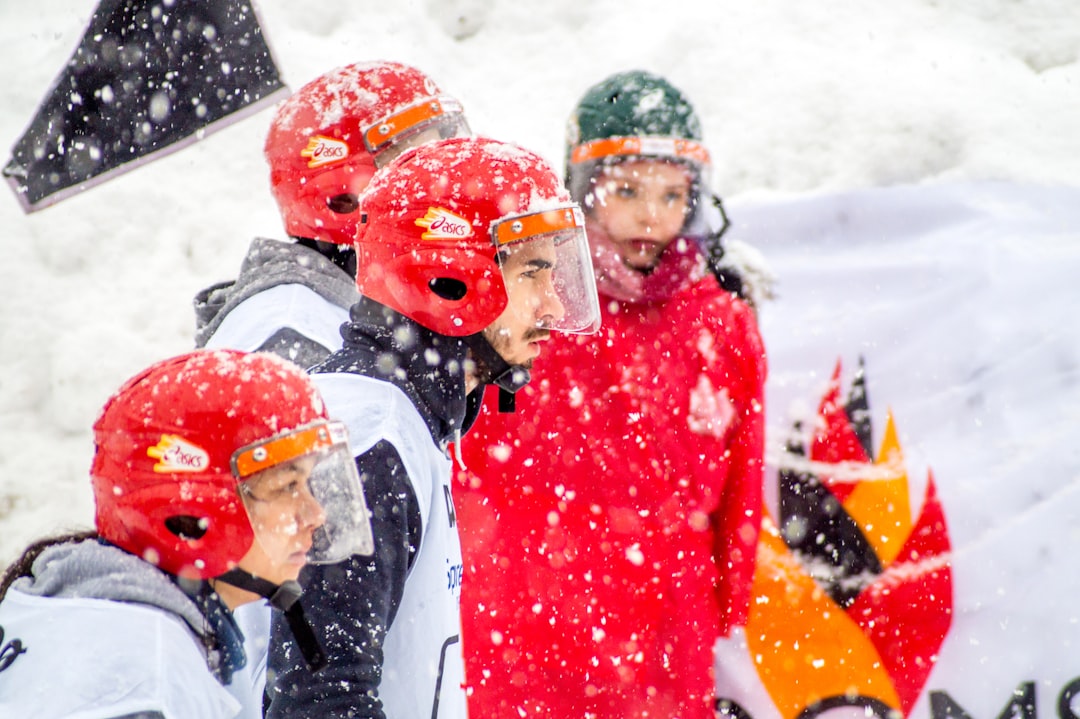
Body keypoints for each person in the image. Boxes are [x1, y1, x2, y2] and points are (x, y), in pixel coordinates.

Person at [454, 70, 768, 718]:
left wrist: (729, 593)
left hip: (664, 625)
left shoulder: (722, 320)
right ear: (583, 192)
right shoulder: (528, 300)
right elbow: (462, 454)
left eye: (673, 193)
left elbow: (744, 474)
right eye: (627, 190)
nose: (652, 213)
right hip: (521, 616)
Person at [263, 136, 601, 719]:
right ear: (447, 278)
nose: (552, 306)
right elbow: (320, 699)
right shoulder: (365, 440)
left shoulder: (407, 418)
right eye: (533, 274)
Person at [0, 349, 373, 718]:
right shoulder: (144, 678)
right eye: (287, 485)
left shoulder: (91, 619)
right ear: (190, 514)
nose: (316, 514)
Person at [194, 60, 472, 367]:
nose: (445, 188)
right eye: (416, 171)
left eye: (445, 162)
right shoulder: (291, 333)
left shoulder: (374, 304)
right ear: (341, 201)